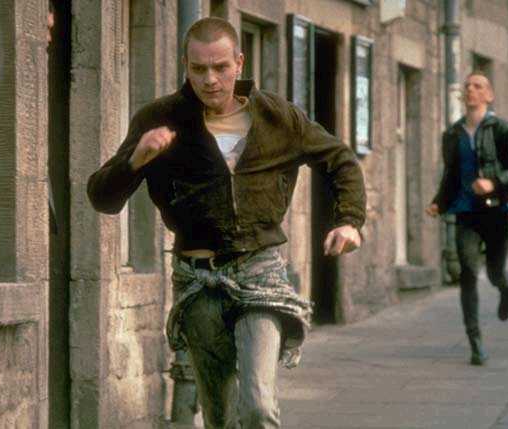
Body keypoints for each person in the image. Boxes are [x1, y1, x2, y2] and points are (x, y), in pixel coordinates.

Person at [87, 17, 366, 428]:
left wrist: (349, 221)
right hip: (197, 279)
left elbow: (340, 159)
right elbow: (102, 198)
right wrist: (135, 160)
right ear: (186, 66)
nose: (210, 79)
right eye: (198, 68)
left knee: (257, 406)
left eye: (220, 67)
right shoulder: (161, 118)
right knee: (219, 415)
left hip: (259, 272)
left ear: (239, 62)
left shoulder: (277, 117)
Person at [426, 71, 508, 366]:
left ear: (489, 95)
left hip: (497, 211)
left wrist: (493, 182)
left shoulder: (504, 129)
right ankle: (475, 342)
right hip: (466, 213)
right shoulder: (452, 134)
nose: (471, 90)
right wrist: (439, 202)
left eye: (478, 86)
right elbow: (451, 175)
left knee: (495, 272)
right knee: (468, 273)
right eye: (468, 86)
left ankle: (506, 285)